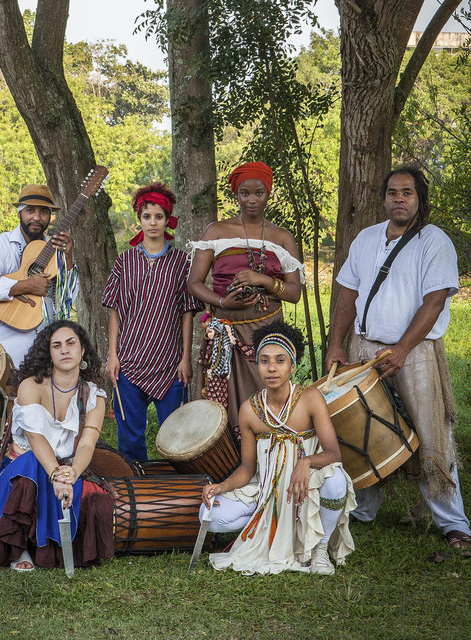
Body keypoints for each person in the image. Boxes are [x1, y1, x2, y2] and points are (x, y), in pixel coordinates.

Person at [326, 164, 470, 552]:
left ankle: (454, 524)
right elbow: (348, 294)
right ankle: (361, 511)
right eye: (393, 192)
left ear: (420, 199)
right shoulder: (366, 238)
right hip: (364, 347)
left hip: (416, 352)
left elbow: (434, 301)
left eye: (407, 192)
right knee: (362, 428)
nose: (399, 199)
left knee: (432, 434)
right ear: (384, 198)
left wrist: (402, 350)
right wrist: (336, 344)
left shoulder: (434, 241)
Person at [0, 320, 114, 572]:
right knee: (30, 465)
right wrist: (55, 475)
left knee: (95, 499)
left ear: (83, 351)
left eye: (71, 343)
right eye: (56, 345)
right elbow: (36, 439)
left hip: (66, 468)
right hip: (23, 469)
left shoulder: (94, 396)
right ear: (48, 353)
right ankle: (20, 547)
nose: (64, 350)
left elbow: (87, 444)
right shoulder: (31, 386)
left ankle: (44, 544)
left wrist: (72, 473)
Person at [201, 321, 355, 575]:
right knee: (210, 515)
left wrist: (305, 462)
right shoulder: (249, 410)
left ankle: (319, 548)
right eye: (264, 361)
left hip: (305, 489)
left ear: (292, 366)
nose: (272, 368)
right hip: (267, 491)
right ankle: (268, 527)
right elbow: (247, 467)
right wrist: (222, 486)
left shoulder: (310, 398)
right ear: (257, 365)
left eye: (280, 360)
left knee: (336, 481)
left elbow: (333, 453)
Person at [187, 162, 304, 438]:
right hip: (224, 335)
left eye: (259, 193)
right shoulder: (216, 232)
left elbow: (294, 293)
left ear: (268, 193)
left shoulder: (281, 237)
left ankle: (270, 454)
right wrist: (223, 303)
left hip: (266, 333)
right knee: (221, 403)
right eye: (245, 193)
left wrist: (263, 280)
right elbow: (194, 283)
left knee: (266, 396)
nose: (252, 200)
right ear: (236, 195)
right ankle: (228, 459)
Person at [102, 183, 201, 462]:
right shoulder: (124, 262)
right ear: (140, 219)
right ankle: (135, 482)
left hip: (169, 363)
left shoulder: (181, 263)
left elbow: (187, 313)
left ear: (168, 219)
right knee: (130, 437)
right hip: (128, 361)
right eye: (147, 216)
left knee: (175, 434)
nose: (153, 222)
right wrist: (113, 355)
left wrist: (185, 358)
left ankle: (174, 482)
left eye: (159, 216)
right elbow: (114, 312)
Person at [0, 184, 78, 368]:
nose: (37, 217)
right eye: (30, 211)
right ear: (19, 213)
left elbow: (67, 301)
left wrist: (68, 257)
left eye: (43, 212)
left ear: (50, 217)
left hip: (46, 350)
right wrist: (27, 286)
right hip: (4, 349)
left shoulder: (57, 250)